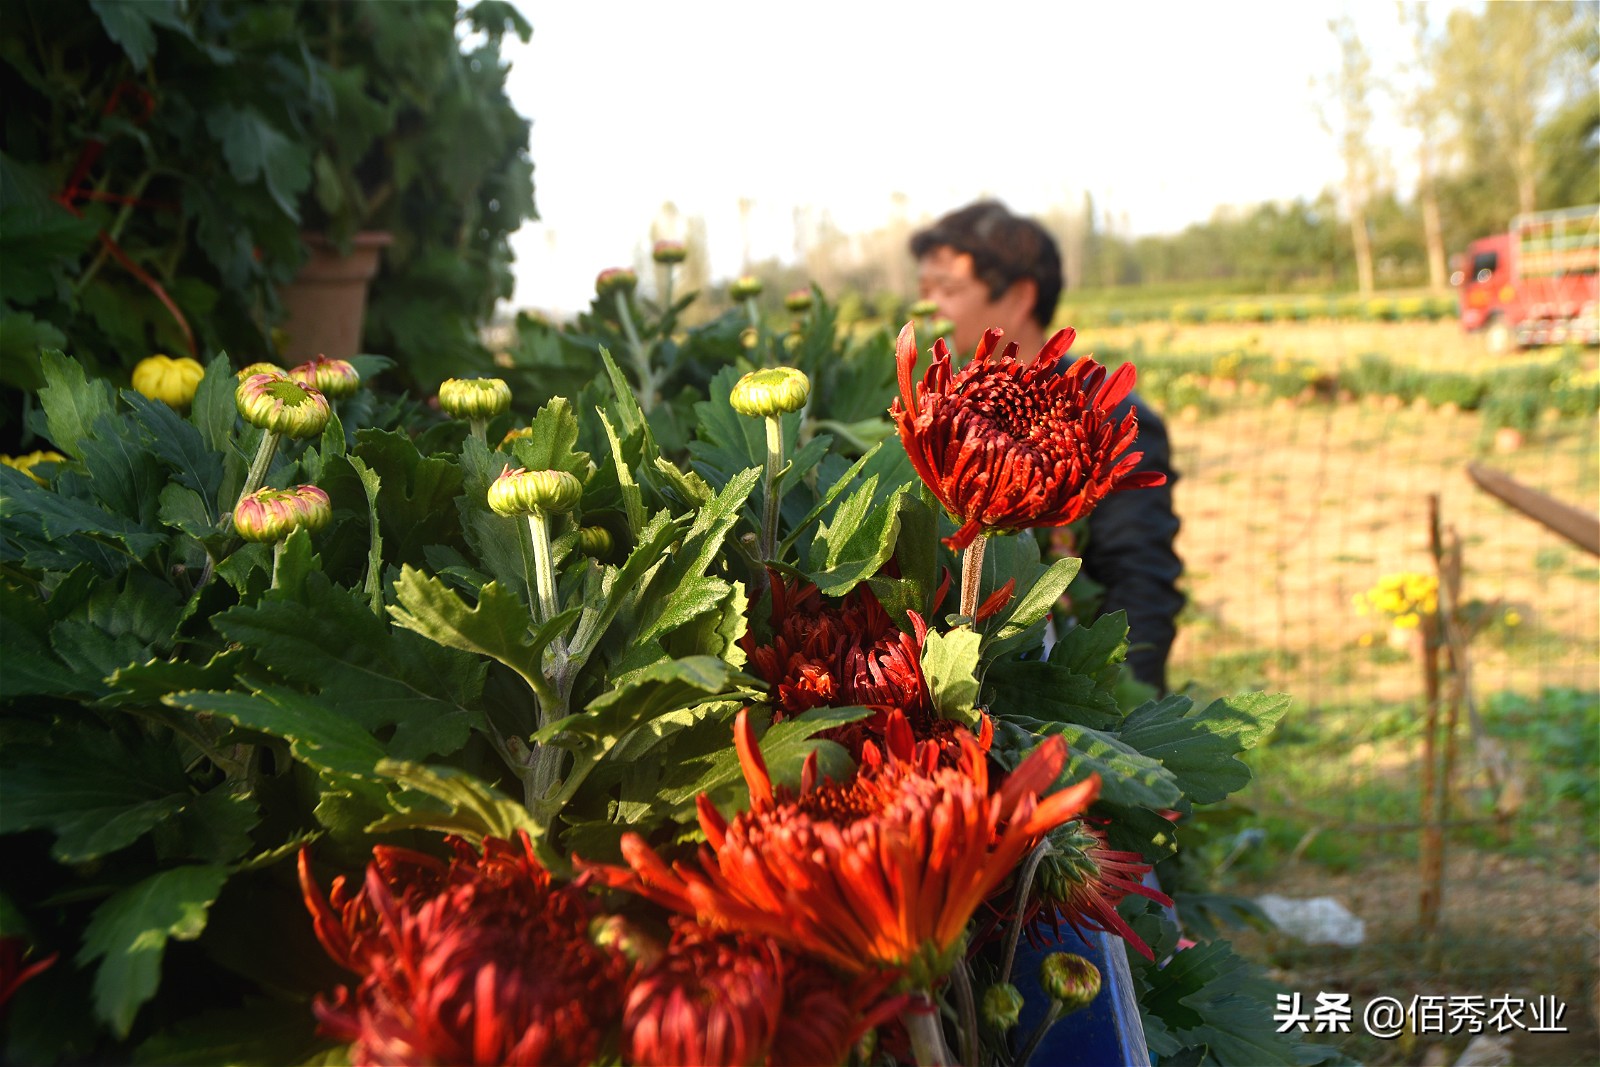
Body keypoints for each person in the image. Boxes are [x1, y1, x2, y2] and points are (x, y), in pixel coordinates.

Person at [909, 200, 1184, 693]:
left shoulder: (1111, 422)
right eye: (923, 290)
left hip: (1056, 698)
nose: (929, 308)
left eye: (947, 290)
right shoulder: (936, 405)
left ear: (1019, 296)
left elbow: (1139, 589)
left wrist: (1115, 709)